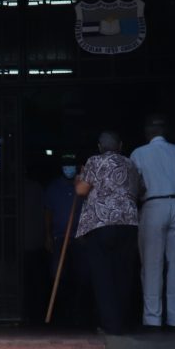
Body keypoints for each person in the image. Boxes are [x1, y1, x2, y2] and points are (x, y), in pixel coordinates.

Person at [130, 115, 175, 331]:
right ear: (164, 132)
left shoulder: (138, 154)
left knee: (152, 264)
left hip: (152, 206)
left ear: (147, 133)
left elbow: (135, 188)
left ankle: (152, 318)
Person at [74, 131, 141, 334]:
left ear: (100, 146)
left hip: (101, 224)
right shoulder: (130, 164)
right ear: (120, 146)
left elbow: (81, 191)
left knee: (103, 276)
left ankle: (110, 325)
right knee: (124, 274)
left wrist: (78, 178)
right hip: (128, 223)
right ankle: (122, 321)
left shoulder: (94, 161)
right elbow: (140, 191)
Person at [43, 152, 90, 326]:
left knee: (82, 276)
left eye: (71, 165)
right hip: (60, 237)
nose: (68, 169)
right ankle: (61, 314)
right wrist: (48, 235)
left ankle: (79, 313)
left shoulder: (83, 186)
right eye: (65, 165)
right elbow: (48, 212)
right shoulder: (54, 187)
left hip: (79, 237)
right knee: (58, 276)